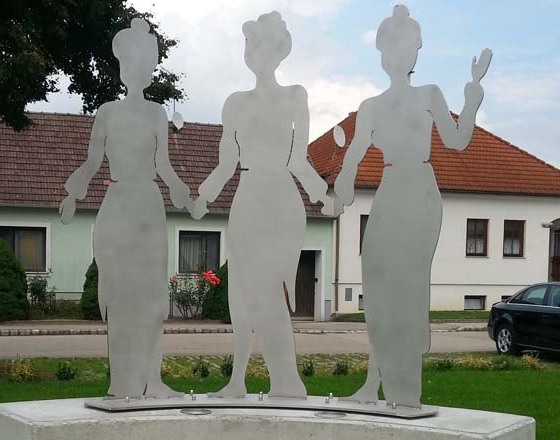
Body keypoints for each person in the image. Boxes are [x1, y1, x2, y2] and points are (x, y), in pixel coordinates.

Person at [334, 5, 491, 409]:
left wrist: (472, 97)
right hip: (388, 189)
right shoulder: (371, 106)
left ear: (415, 53)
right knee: (377, 282)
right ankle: (374, 382)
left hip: (420, 191)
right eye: (388, 49)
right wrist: (339, 188)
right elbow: (352, 155)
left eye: (404, 48)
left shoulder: (429, 95)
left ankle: (406, 388)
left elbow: (456, 140)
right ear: (382, 54)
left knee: (406, 286)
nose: (396, 57)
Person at [191, 11, 333, 399]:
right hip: (247, 198)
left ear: (280, 50)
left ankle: (286, 380)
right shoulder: (234, 103)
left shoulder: (295, 96)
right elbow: (225, 163)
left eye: (263, 44)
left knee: (270, 291)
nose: (256, 51)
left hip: (282, 200)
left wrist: (325, 196)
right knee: (240, 291)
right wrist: (202, 196)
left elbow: (299, 160)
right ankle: (236, 381)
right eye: (250, 44)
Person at [59, 18, 191, 400]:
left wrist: (181, 190)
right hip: (117, 206)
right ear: (121, 68)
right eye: (130, 64)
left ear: (149, 70)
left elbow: (164, 165)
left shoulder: (157, 114)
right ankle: (120, 383)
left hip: (149, 206)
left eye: (144, 65)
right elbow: (91, 162)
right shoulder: (107, 112)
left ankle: (154, 381)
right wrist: (73, 194)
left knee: (151, 297)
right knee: (117, 298)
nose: (137, 71)